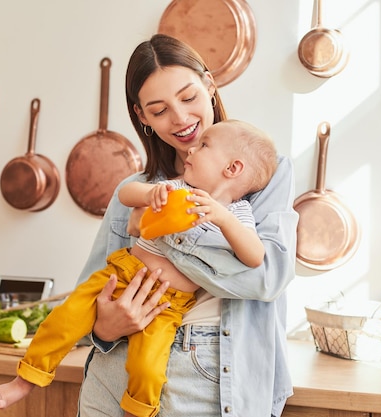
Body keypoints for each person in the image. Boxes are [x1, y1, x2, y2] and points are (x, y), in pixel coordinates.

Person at [0, 120, 278, 417]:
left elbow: (255, 257)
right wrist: (149, 195)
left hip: (167, 306)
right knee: (64, 319)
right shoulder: (176, 187)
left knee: (149, 368)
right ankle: (25, 380)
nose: (191, 148)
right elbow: (126, 194)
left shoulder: (238, 212)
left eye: (204, 145)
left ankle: (137, 411)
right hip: (122, 275)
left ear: (233, 169)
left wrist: (223, 219)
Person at [75, 34, 299, 417]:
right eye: (159, 110)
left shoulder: (260, 173)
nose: (180, 118)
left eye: (189, 97)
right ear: (142, 117)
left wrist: (159, 231)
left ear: (210, 86)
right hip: (117, 371)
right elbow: (93, 290)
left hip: (210, 378)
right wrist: (103, 330)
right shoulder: (137, 190)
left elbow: (266, 279)